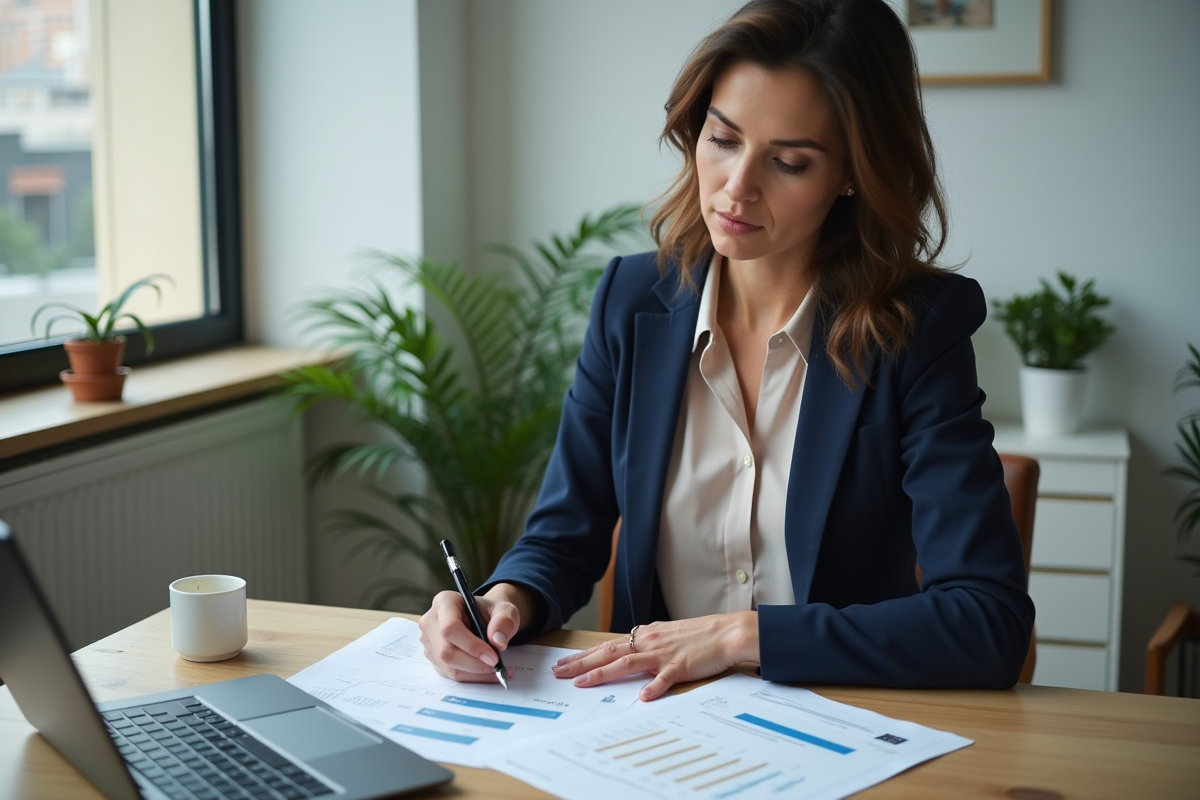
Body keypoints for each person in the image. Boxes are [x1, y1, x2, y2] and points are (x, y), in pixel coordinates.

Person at [419, 0, 1034, 701]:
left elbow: (988, 623)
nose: (737, 188)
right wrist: (503, 603)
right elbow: (563, 534)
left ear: (854, 173)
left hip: (839, 721)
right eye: (723, 139)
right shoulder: (632, 300)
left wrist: (747, 636)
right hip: (653, 718)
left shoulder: (916, 329)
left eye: (790, 162)